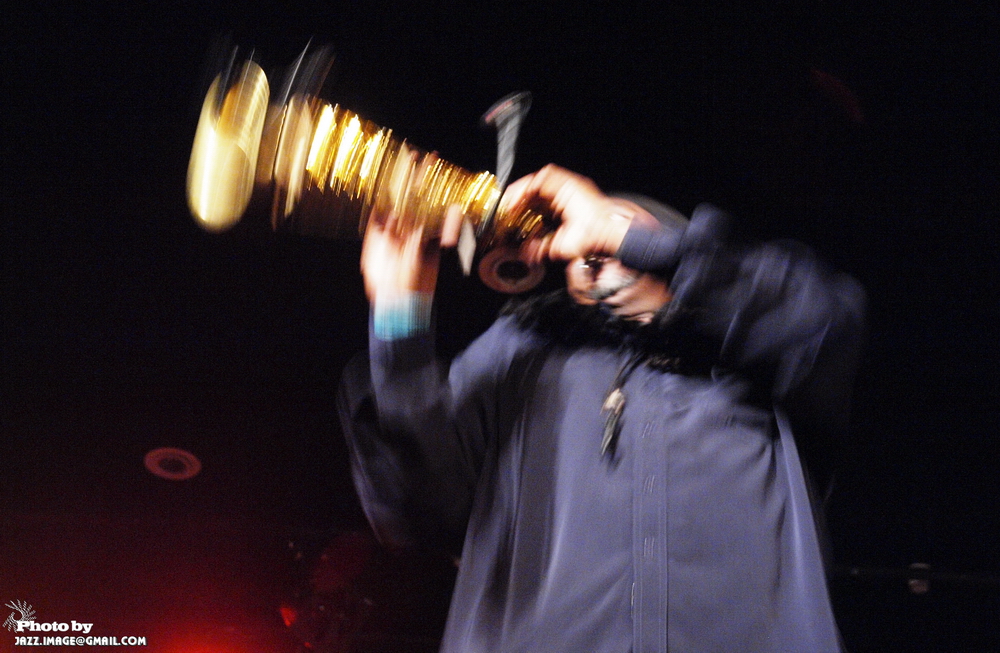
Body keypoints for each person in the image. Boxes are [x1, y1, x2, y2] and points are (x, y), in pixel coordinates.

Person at [337, 164, 866, 652]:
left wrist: (624, 235)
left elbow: (824, 322)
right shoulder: (521, 355)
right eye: (580, 244)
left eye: (625, 228)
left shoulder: (765, 353)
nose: (591, 242)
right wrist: (399, 318)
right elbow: (414, 510)